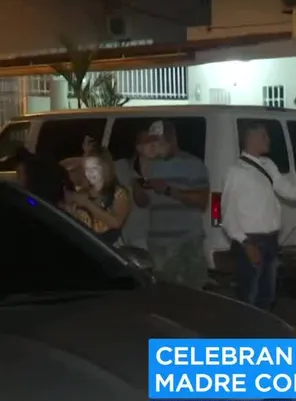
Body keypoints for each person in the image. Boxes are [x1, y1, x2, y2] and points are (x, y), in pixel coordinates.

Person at [221, 123, 296, 309]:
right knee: (248, 302)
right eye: (264, 136)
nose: (269, 139)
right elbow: (228, 215)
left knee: (267, 299)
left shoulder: (268, 165)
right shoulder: (235, 172)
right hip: (251, 242)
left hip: (271, 241)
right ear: (251, 139)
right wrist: (246, 244)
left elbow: (291, 192)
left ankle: (263, 335)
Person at [135, 120, 210, 289]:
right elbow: (143, 202)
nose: (156, 146)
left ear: (172, 140)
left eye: (160, 141)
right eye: (152, 142)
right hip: (159, 246)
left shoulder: (194, 165)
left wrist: (169, 190)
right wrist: (137, 185)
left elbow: (202, 201)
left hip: (187, 243)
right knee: (165, 297)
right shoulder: (149, 166)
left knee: (194, 296)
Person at [64, 145, 131, 248]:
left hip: (107, 249)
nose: (89, 174)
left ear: (105, 168)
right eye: (86, 169)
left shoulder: (119, 193)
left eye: (94, 169)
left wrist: (88, 204)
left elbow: (116, 222)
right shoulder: (83, 192)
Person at [114, 129, 156, 250]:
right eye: (147, 141)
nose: (153, 144)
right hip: (122, 239)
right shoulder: (121, 167)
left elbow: (143, 201)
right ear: (138, 147)